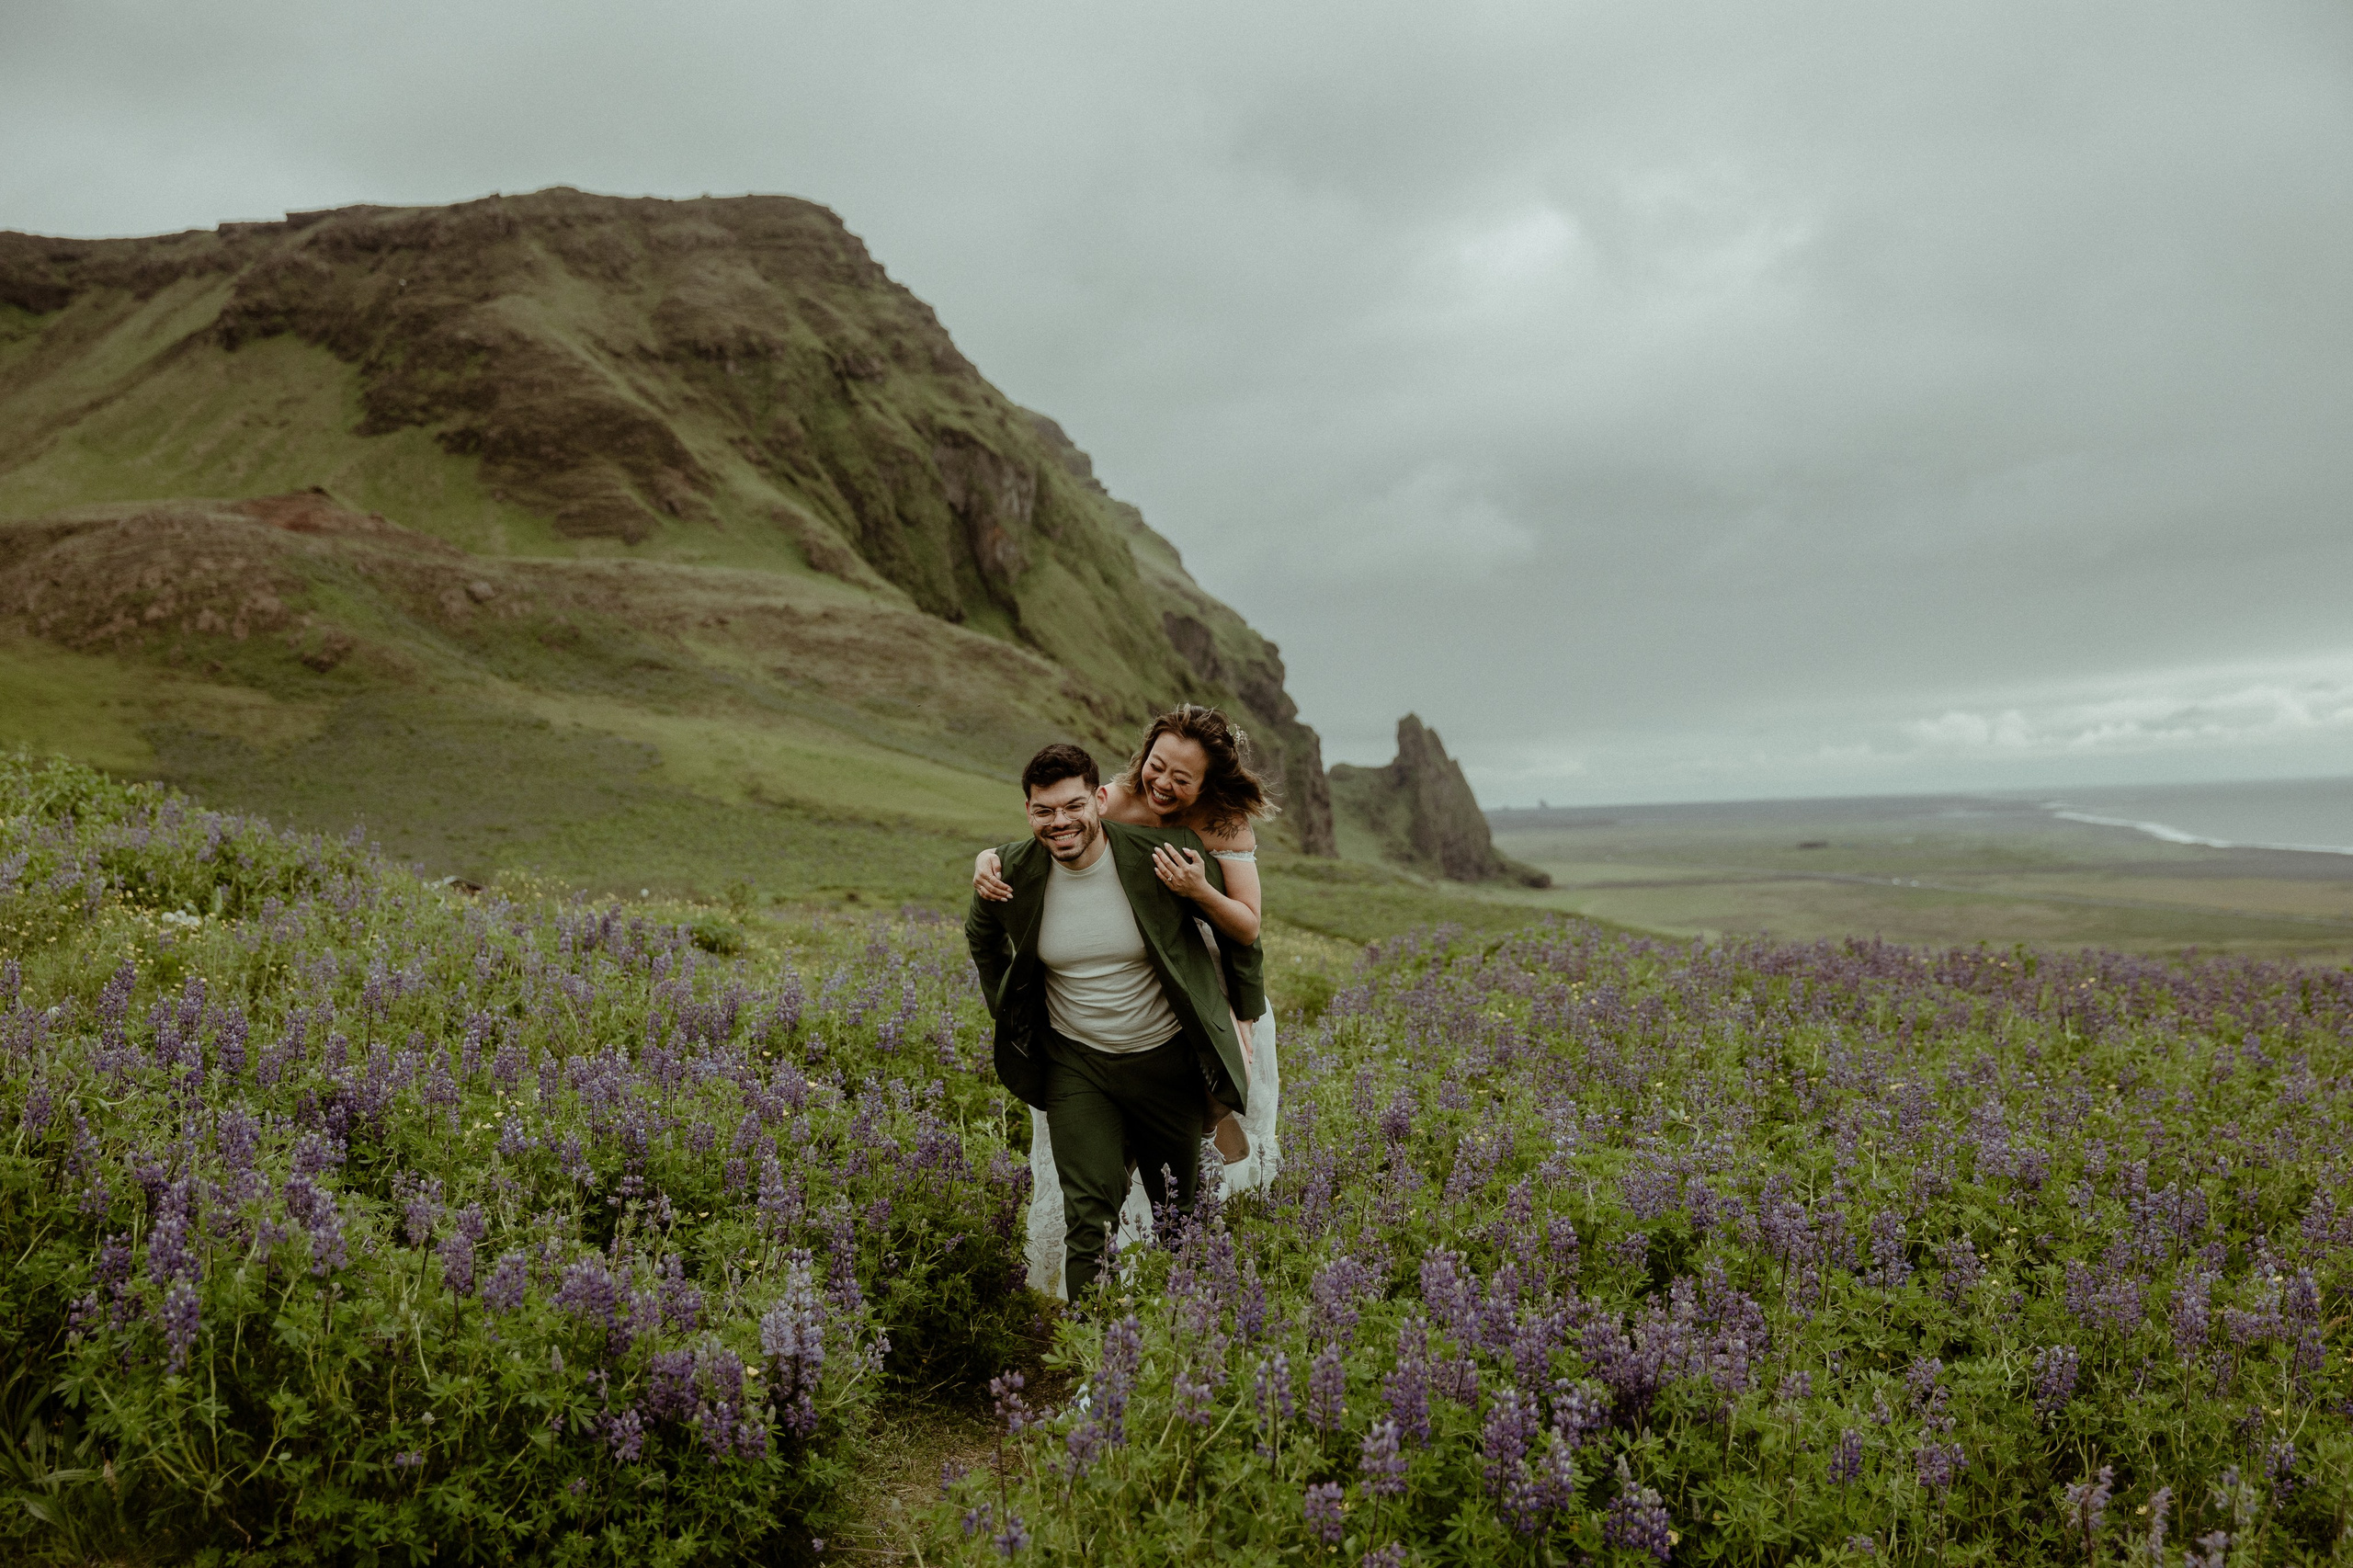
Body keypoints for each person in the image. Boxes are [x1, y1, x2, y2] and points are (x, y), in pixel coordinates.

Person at [964, 742, 1266, 1301]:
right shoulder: (1011, 871)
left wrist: (1245, 1012)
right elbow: (982, 938)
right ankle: (1091, 1356)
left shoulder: (1164, 854)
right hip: (1077, 1067)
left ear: (1099, 800)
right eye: (1044, 811)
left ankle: (1179, 1343)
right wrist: (1011, 1016)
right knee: (1090, 1215)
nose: (1060, 823)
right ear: (1028, 811)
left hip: (1166, 1061)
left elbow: (1239, 935)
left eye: (1073, 806)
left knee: (1177, 1214)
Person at [974, 705, 1274, 1161]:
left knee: (1224, 1079)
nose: (1163, 783)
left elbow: (1247, 926)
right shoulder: (1111, 803)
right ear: (1144, 756)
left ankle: (1206, 1152)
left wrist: (1199, 891)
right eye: (1157, 766)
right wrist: (988, 856)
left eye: (1182, 778)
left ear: (1207, 782)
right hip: (1128, 958)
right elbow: (1054, 831)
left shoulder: (1224, 822)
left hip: (1204, 961)